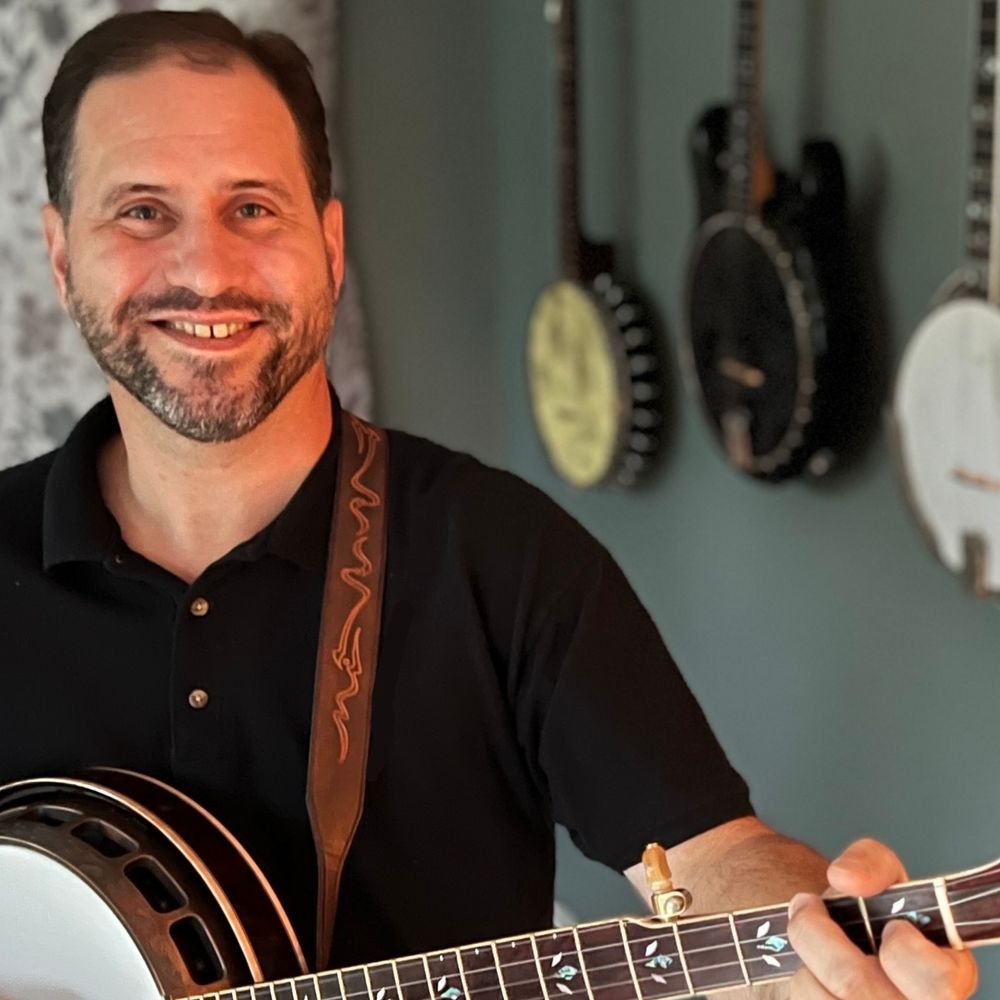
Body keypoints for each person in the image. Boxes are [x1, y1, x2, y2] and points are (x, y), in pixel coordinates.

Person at [0, 9, 977, 999]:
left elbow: (712, 857)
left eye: (252, 207)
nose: (206, 270)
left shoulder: (502, 556)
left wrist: (805, 954)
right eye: (141, 212)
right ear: (61, 254)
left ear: (330, 246)